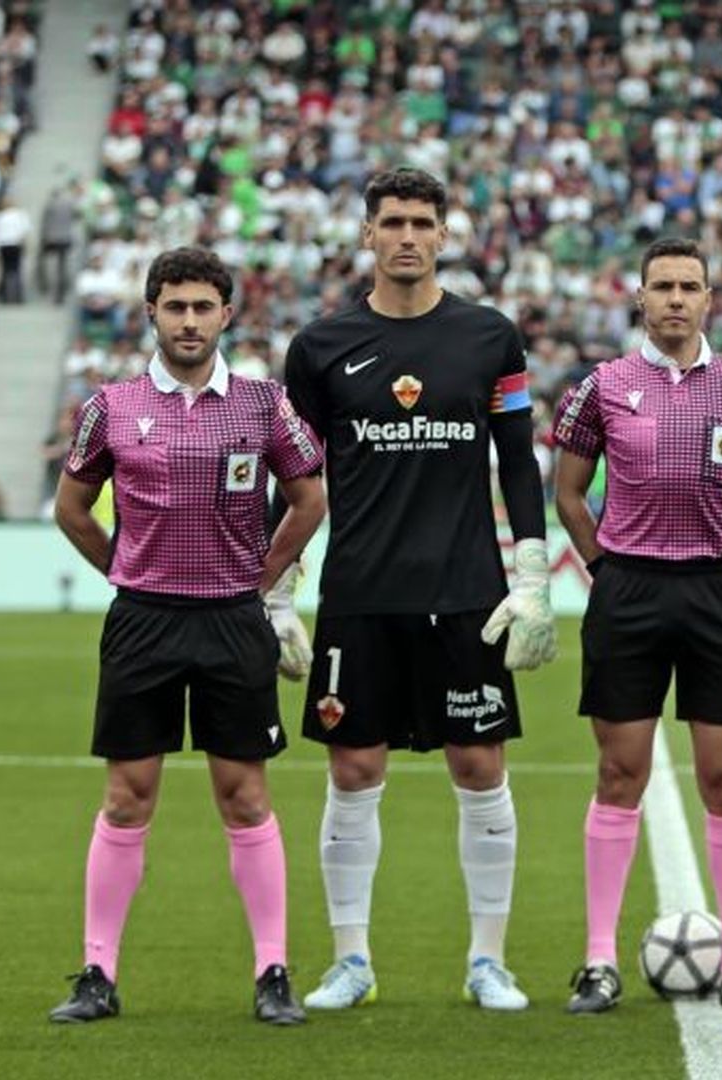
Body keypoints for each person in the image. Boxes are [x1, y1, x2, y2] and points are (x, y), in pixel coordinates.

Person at [284, 167, 557, 1013]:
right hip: (359, 593)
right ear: (367, 234)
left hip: (466, 591)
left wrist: (534, 573)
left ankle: (487, 961)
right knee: (354, 767)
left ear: (445, 235)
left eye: (422, 222)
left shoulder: (489, 339)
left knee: (479, 766)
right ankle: (351, 961)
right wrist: (276, 585)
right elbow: (293, 476)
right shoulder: (318, 349)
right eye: (392, 221)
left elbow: (516, 458)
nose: (407, 236)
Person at [47, 247, 327, 1025]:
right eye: (176, 307)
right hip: (143, 619)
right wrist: (123, 568)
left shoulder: (264, 403)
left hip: (232, 620)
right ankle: (97, 975)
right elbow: (71, 508)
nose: (190, 321)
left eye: (204, 307)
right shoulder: (112, 404)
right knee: (128, 796)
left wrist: (264, 579)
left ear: (227, 314)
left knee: (244, 796)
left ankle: (273, 972)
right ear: (152, 313)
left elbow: (309, 500)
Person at [551, 237, 722, 1016]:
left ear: (710, 298)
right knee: (621, 774)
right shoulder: (603, 387)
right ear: (641, 299)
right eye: (663, 287)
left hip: (717, 594)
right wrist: (604, 566)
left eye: (690, 286)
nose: (677, 299)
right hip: (631, 593)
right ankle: (597, 960)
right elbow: (571, 491)